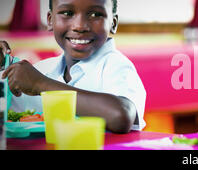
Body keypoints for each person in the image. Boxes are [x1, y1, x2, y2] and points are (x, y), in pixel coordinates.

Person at [0, 0, 146, 133]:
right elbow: (8, 110)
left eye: (96, 14)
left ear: (113, 24)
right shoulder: (44, 69)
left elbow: (121, 116)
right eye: (67, 13)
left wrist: (41, 84)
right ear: (50, 20)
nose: (80, 26)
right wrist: (3, 65)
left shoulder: (115, 65)